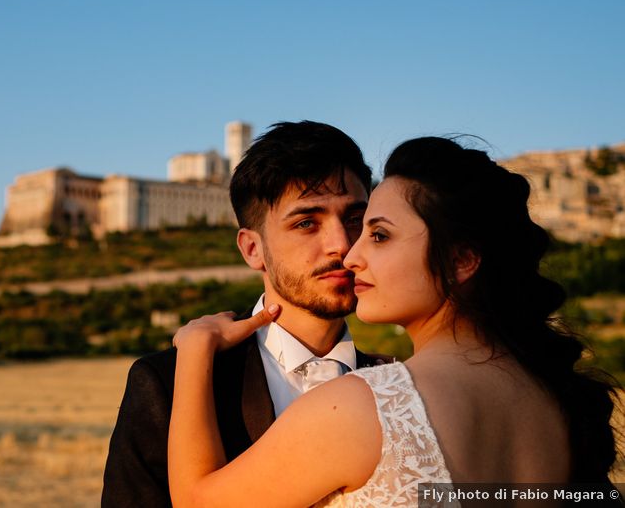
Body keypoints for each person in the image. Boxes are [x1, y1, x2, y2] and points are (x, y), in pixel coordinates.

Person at [168, 137, 619, 507]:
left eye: (376, 234)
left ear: (462, 260)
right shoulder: (556, 402)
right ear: (251, 248)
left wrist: (193, 349)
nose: (350, 253)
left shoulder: (364, 405)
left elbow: (193, 502)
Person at [102, 121, 391, 507]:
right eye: (307, 223)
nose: (341, 244)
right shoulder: (165, 382)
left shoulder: (399, 385)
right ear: (252, 249)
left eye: (354, 218)